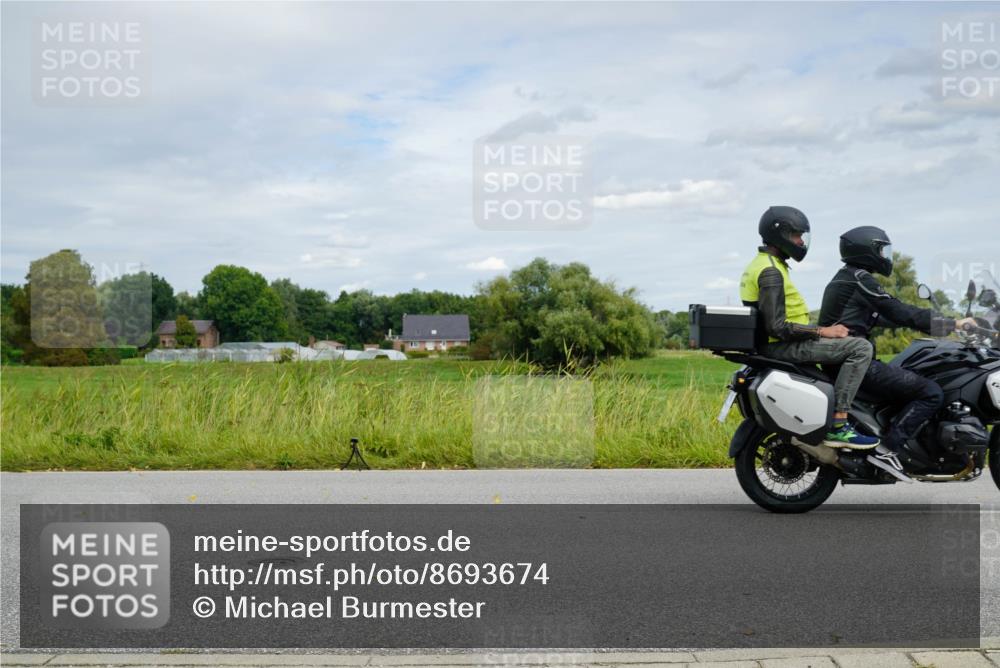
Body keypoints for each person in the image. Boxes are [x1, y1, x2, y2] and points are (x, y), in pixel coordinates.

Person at [819, 225, 976, 480]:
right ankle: (888, 449)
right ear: (866, 250)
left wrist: (929, 321)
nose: (885, 255)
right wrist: (954, 324)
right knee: (930, 392)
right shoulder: (859, 278)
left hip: (841, 360)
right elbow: (900, 311)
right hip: (853, 362)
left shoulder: (846, 278)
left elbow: (884, 317)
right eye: (881, 249)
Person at [740, 206, 879, 448]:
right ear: (780, 234)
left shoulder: (764, 264)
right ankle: (839, 424)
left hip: (778, 343)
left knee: (843, 342)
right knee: (860, 348)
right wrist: (822, 331)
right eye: (796, 235)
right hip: (781, 346)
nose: (801, 241)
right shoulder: (770, 271)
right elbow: (776, 326)